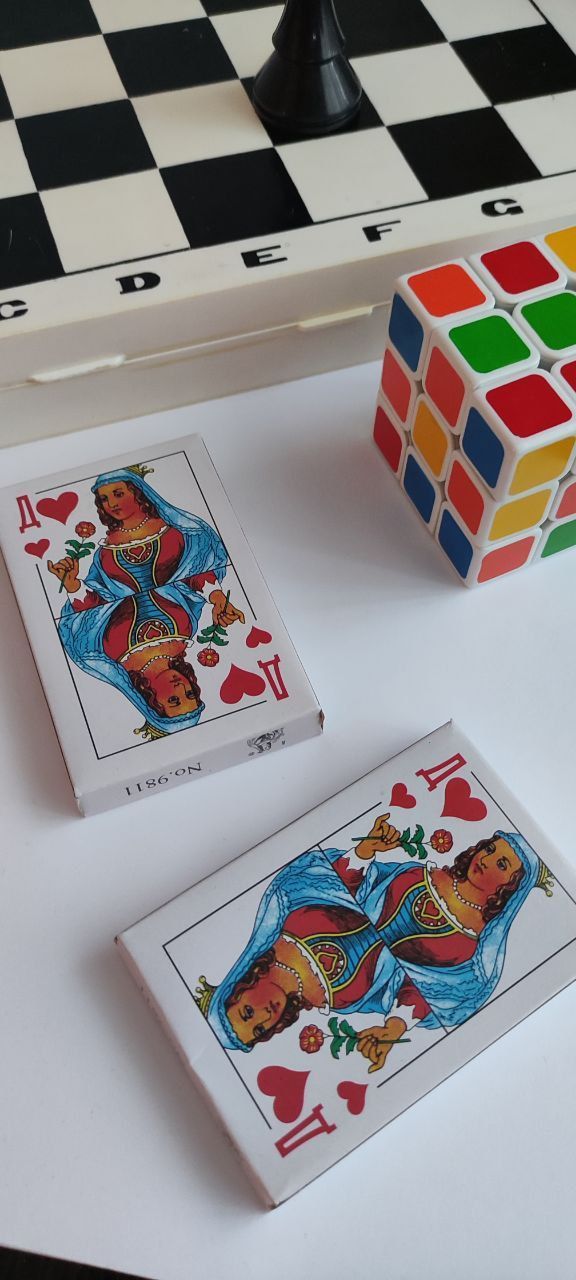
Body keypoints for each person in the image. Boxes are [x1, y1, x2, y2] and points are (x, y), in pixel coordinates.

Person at [196, 814, 554, 1073]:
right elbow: (408, 989)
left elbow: (338, 884)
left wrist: (365, 850)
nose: (266, 1016)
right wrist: (391, 1029)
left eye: (248, 1013)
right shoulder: (332, 1002)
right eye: (261, 1029)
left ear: (240, 988)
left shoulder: (288, 914)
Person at [47, 465, 245, 735]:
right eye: (190, 694)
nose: (181, 688)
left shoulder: (111, 654)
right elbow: (193, 571)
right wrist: (218, 597)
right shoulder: (185, 630)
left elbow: (94, 611)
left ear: (153, 702)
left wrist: (72, 585)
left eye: (173, 700)